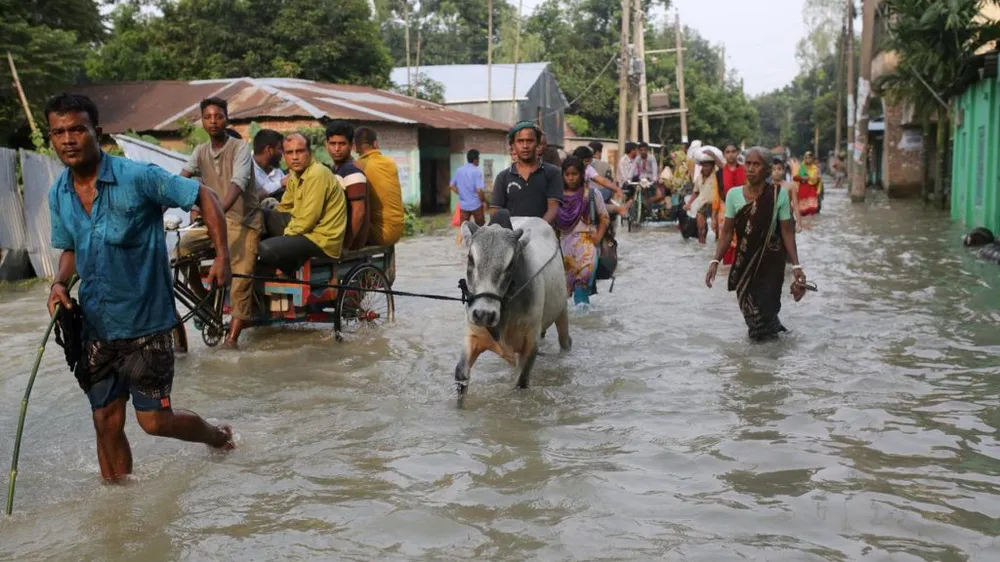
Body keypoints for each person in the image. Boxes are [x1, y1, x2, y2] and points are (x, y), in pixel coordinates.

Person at [45, 93, 235, 482]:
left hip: (146, 323)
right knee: (105, 420)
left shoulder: (138, 176)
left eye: (77, 129)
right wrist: (59, 284)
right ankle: (119, 503)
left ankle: (218, 436)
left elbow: (205, 196)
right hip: (96, 326)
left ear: (97, 133)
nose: (68, 139)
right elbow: (70, 248)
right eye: (58, 132)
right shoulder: (58, 193)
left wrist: (222, 257)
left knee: (154, 421)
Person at [179, 97, 261, 349]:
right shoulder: (200, 151)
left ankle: (232, 341)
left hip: (243, 221)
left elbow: (238, 183)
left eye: (218, 116)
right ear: (202, 121)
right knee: (180, 252)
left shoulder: (240, 148)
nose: (213, 121)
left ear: (227, 119)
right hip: (214, 221)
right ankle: (205, 302)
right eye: (208, 117)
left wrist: (216, 211)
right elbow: (181, 180)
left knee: (241, 277)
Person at [705, 147, 808, 341]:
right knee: (752, 313)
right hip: (745, 265)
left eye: (756, 164)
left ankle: (765, 355)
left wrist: (796, 266)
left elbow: (787, 231)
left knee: (766, 311)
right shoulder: (733, 195)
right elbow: (727, 232)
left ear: (767, 169)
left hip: (771, 264)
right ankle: (772, 345)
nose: (750, 168)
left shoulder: (778, 195)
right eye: (748, 164)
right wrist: (715, 261)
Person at [258, 133, 347, 274]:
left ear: (309, 153)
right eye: (289, 153)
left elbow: (307, 221)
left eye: (299, 151)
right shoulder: (294, 174)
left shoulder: (317, 173)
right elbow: (284, 207)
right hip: (302, 228)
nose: (294, 157)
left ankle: (290, 269)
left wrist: (283, 238)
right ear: (284, 155)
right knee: (260, 216)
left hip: (321, 239)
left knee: (265, 249)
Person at [556, 156, 609, 307]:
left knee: (581, 287)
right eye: (567, 174)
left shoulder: (591, 195)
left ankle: (584, 320)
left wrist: (598, 237)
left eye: (574, 174)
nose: (571, 178)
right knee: (565, 293)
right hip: (564, 248)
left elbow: (604, 218)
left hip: (587, 248)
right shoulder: (557, 197)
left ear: (581, 174)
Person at [491, 121, 563, 224]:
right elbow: (496, 211)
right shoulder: (503, 177)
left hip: (542, 232)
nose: (525, 146)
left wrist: (538, 228)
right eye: (520, 141)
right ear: (513, 145)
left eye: (530, 141)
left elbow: (553, 207)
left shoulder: (552, 173)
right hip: (512, 232)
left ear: (537, 143)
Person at [353, 127, 404, 246]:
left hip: (378, 233)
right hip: (398, 231)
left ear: (354, 147)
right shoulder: (390, 163)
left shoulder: (359, 166)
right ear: (375, 144)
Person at [325, 121, 370, 251]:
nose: (337, 149)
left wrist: (345, 246)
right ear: (326, 144)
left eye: (342, 144)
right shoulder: (336, 169)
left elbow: (359, 212)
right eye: (332, 144)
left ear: (351, 145)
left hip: (348, 241)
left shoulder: (352, 171)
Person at [719, 142, 748, 265]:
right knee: (726, 239)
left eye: (733, 151)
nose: (730, 154)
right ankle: (728, 268)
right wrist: (715, 215)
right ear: (724, 155)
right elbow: (717, 194)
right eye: (727, 152)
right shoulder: (719, 173)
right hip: (725, 210)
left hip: (744, 208)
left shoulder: (746, 170)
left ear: (738, 153)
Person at [685, 154, 722, 245]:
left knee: (717, 229)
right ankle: (701, 247)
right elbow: (695, 192)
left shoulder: (717, 175)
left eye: (708, 165)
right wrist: (689, 203)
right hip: (702, 204)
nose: (706, 168)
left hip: (715, 204)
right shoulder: (699, 177)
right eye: (704, 165)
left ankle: (717, 246)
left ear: (712, 166)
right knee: (700, 229)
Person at [450, 149, 487, 226]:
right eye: (478, 158)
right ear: (475, 160)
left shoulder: (459, 170)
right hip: (476, 205)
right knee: (481, 228)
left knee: (464, 228)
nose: (479, 160)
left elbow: (452, 186)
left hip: (464, 206)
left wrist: (461, 193)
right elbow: (479, 190)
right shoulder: (477, 172)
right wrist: (483, 201)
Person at [252, 129, 286, 201]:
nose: (282, 153)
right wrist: (280, 183)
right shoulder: (246, 168)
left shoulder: (278, 172)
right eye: (280, 149)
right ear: (269, 150)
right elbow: (253, 196)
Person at [772, 156, 803, 233]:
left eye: (779, 169)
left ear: (783, 170)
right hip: (772, 219)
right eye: (773, 169)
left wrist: (799, 223)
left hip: (788, 218)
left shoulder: (790, 186)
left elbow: (795, 205)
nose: (776, 171)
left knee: (789, 239)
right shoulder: (767, 186)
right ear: (769, 171)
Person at [794, 151, 822, 216]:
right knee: (802, 211)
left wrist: (818, 191)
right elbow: (795, 177)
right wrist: (802, 178)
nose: (808, 159)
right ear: (804, 158)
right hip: (802, 190)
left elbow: (819, 180)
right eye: (806, 158)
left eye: (809, 158)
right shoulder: (801, 167)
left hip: (812, 189)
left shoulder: (815, 168)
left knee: (812, 209)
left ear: (812, 159)